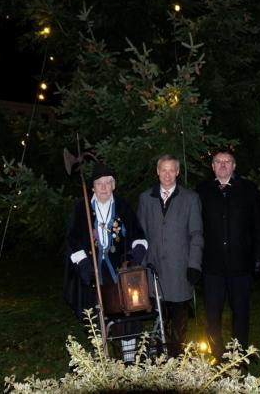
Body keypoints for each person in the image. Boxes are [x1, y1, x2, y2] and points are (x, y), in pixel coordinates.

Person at [67, 163, 147, 360]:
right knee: (95, 315)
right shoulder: (82, 208)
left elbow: (138, 234)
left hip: (119, 271)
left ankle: (129, 359)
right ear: (92, 187)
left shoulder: (123, 207)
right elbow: (73, 239)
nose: (103, 187)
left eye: (107, 183)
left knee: (127, 313)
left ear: (113, 185)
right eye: (99, 183)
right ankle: (102, 358)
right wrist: (84, 263)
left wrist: (135, 256)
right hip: (92, 270)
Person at [196, 148, 260, 359]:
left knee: (241, 312)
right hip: (212, 265)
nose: (223, 165)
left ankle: (239, 353)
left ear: (234, 166)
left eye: (227, 161)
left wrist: (259, 258)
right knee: (213, 314)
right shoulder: (202, 191)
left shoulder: (248, 189)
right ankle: (217, 353)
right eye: (219, 161)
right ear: (213, 166)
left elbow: (259, 226)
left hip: (241, 264)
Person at [137, 154, 204, 357]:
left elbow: (196, 234)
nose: (167, 175)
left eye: (171, 170)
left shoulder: (190, 199)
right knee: (158, 321)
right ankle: (159, 359)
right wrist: (141, 265)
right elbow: (140, 235)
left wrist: (194, 264)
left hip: (180, 271)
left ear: (177, 172)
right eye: (163, 170)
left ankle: (176, 358)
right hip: (154, 271)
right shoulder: (146, 198)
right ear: (158, 172)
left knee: (178, 323)